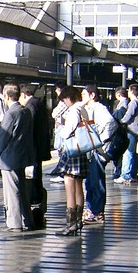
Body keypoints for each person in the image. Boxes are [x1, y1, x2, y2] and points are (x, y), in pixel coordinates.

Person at [0, 84, 34, 232]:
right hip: (23, 155)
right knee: (22, 190)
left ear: (6, 96)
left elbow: (3, 137)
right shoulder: (26, 111)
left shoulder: (11, 114)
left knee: (11, 191)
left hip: (9, 158)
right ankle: (27, 220)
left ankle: (14, 223)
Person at [53, 86, 89, 236]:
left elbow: (67, 132)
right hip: (81, 151)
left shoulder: (73, 111)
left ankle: (70, 224)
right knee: (79, 186)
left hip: (72, 152)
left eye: (64, 100)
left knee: (70, 187)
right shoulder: (83, 109)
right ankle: (79, 221)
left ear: (68, 98)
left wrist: (60, 127)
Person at [81, 84, 117, 224]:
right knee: (90, 180)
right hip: (93, 150)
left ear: (92, 95)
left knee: (96, 180)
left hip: (98, 150)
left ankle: (97, 211)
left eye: (84, 95)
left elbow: (111, 124)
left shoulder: (100, 109)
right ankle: (92, 209)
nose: (82, 97)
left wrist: (99, 141)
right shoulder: (89, 109)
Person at [20, 85, 51, 228]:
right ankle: (38, 209)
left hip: (33, 150)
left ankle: (35, 208)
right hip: (39, 148)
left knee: (33, 180)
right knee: (37, 178)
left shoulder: (31, 106)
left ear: (24, 94)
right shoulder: (39, 103)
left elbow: (29, 128)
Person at [113, 84, 138, 185]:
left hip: (131, 130)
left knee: (128, 153)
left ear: (132, 92)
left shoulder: (133, 103)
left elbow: (128, 116)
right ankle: (133, 175)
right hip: (137, 130)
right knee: (135, 154)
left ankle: (125, 175)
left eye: (129, 91)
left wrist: (121, 122)